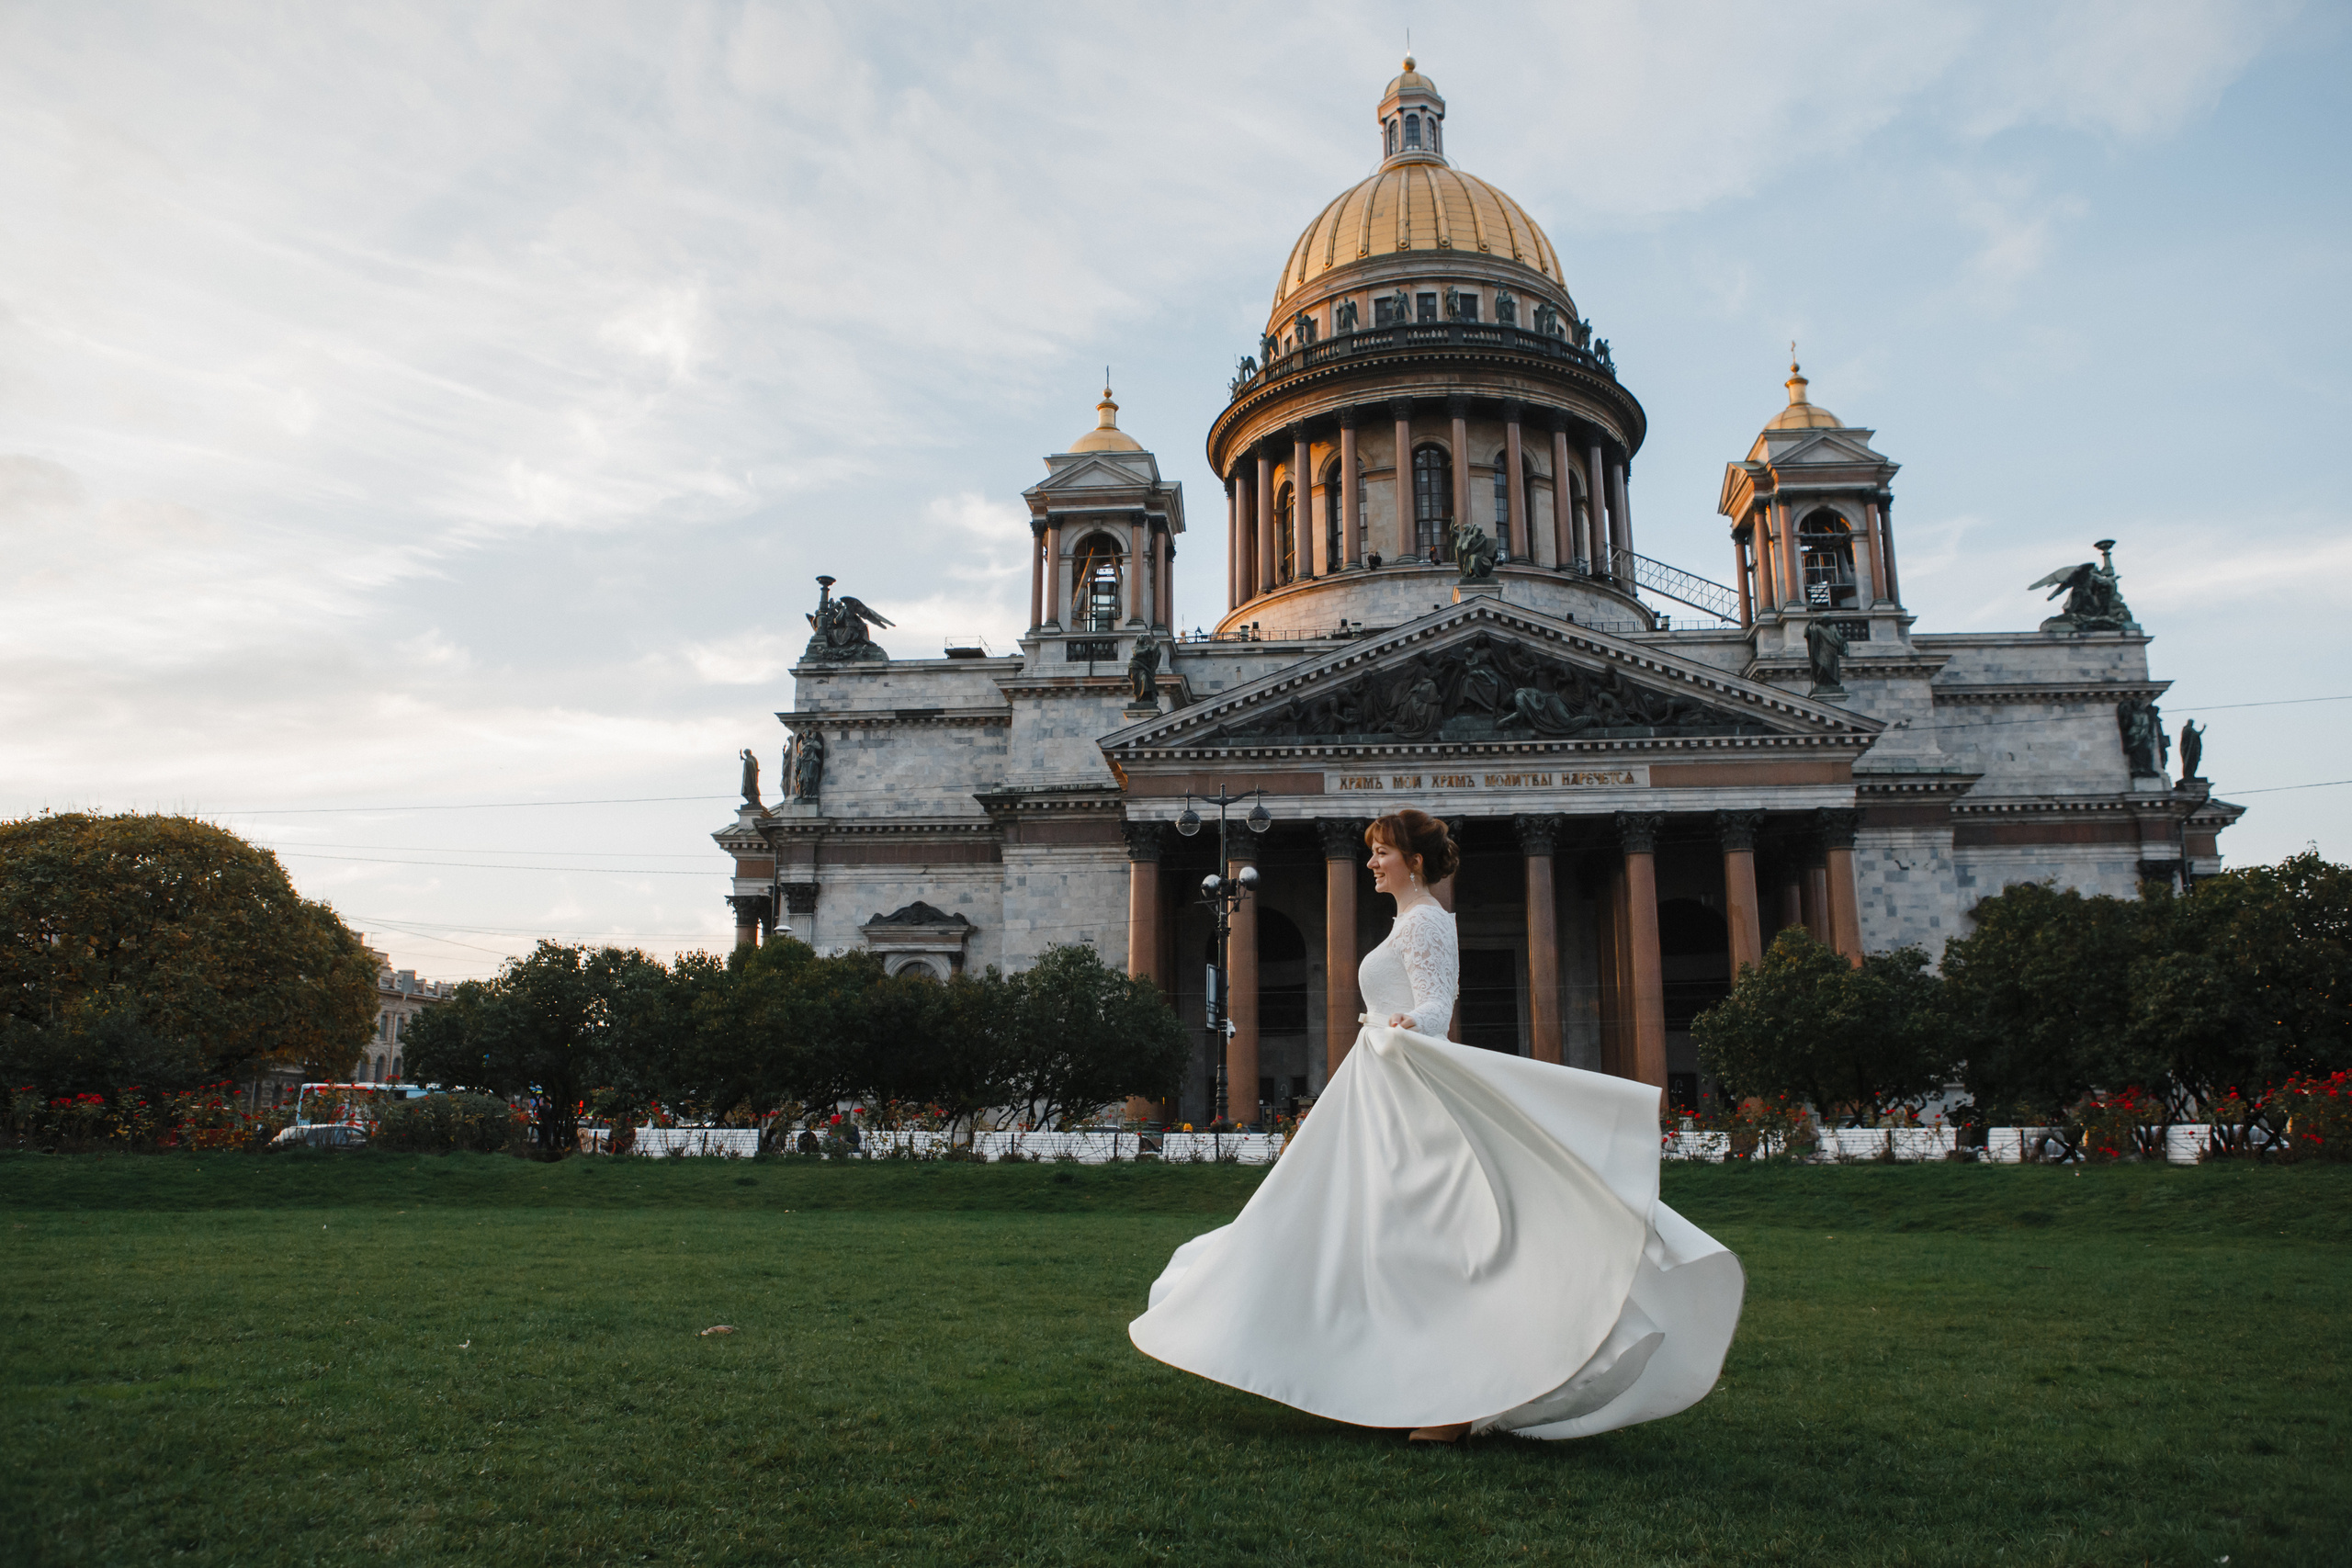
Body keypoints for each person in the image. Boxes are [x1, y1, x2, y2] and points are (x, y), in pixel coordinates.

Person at [1129, 808, 1745, 1444]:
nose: (1371, 861)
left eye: (1381, 852)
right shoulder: (1409, 919)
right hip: (1381, 1084)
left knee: (1421, 1239)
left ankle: (1448, 1402)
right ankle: (1374, 1376)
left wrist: (1406, 1028)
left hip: (1404, 1084)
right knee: (1366, 1234)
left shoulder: (1426, 919)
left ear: (1414, 862)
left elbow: (1435, 1005)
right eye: (1368, 851)